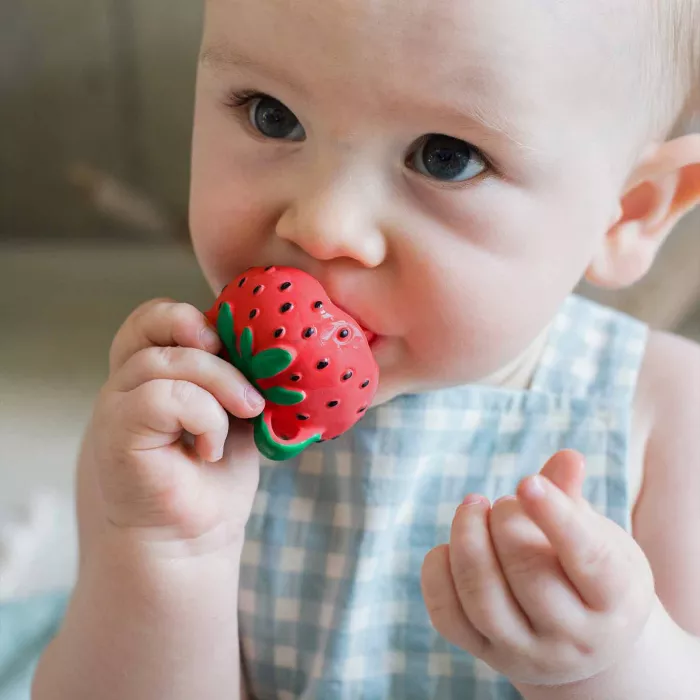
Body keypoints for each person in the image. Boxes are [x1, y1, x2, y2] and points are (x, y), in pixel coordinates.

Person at [33, 0, 700, 698]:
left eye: (447, 158)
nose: (323, 224)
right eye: (272, 114)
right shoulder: (178, 417)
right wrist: (167, 553)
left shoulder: (662, 418)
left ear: (629, 212)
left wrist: (610, 664)